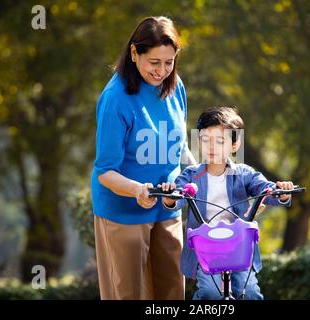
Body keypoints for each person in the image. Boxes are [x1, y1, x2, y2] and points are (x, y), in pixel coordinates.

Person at [91, 16, 195, 300]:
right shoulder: (115, 98)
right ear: (134, 53)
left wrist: (200, 172)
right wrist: (138, 190)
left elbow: (180, 145)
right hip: (124, 211)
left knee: (173, 293)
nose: (162, 71)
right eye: (154, 62)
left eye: (169, 62)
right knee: (130, 294)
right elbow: (105, 171)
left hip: (168, 206)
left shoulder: (176, 87)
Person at [158, 106, 294, 300]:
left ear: (234, 145)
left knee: (250, 293)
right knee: (210, 293)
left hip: (239, 246)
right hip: (206, 249)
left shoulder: (244, 173)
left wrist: (281, 192)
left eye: (220, 141)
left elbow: (265, 189)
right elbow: (177, 196)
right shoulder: (191, 174)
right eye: (205, 140)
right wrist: (171, 197)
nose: (211, 147)